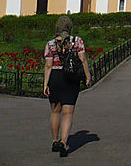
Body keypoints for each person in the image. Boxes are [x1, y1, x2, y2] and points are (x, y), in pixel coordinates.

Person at [43, 16, 92, 157]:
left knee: (55, 112)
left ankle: (54, 141)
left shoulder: (50, 44)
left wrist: (45, 84)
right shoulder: (77, 41)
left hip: (55, 78)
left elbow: (48, 65)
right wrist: (87, 76)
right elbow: (82, 59)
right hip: (71, 78)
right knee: (68, 112)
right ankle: (64, 142)